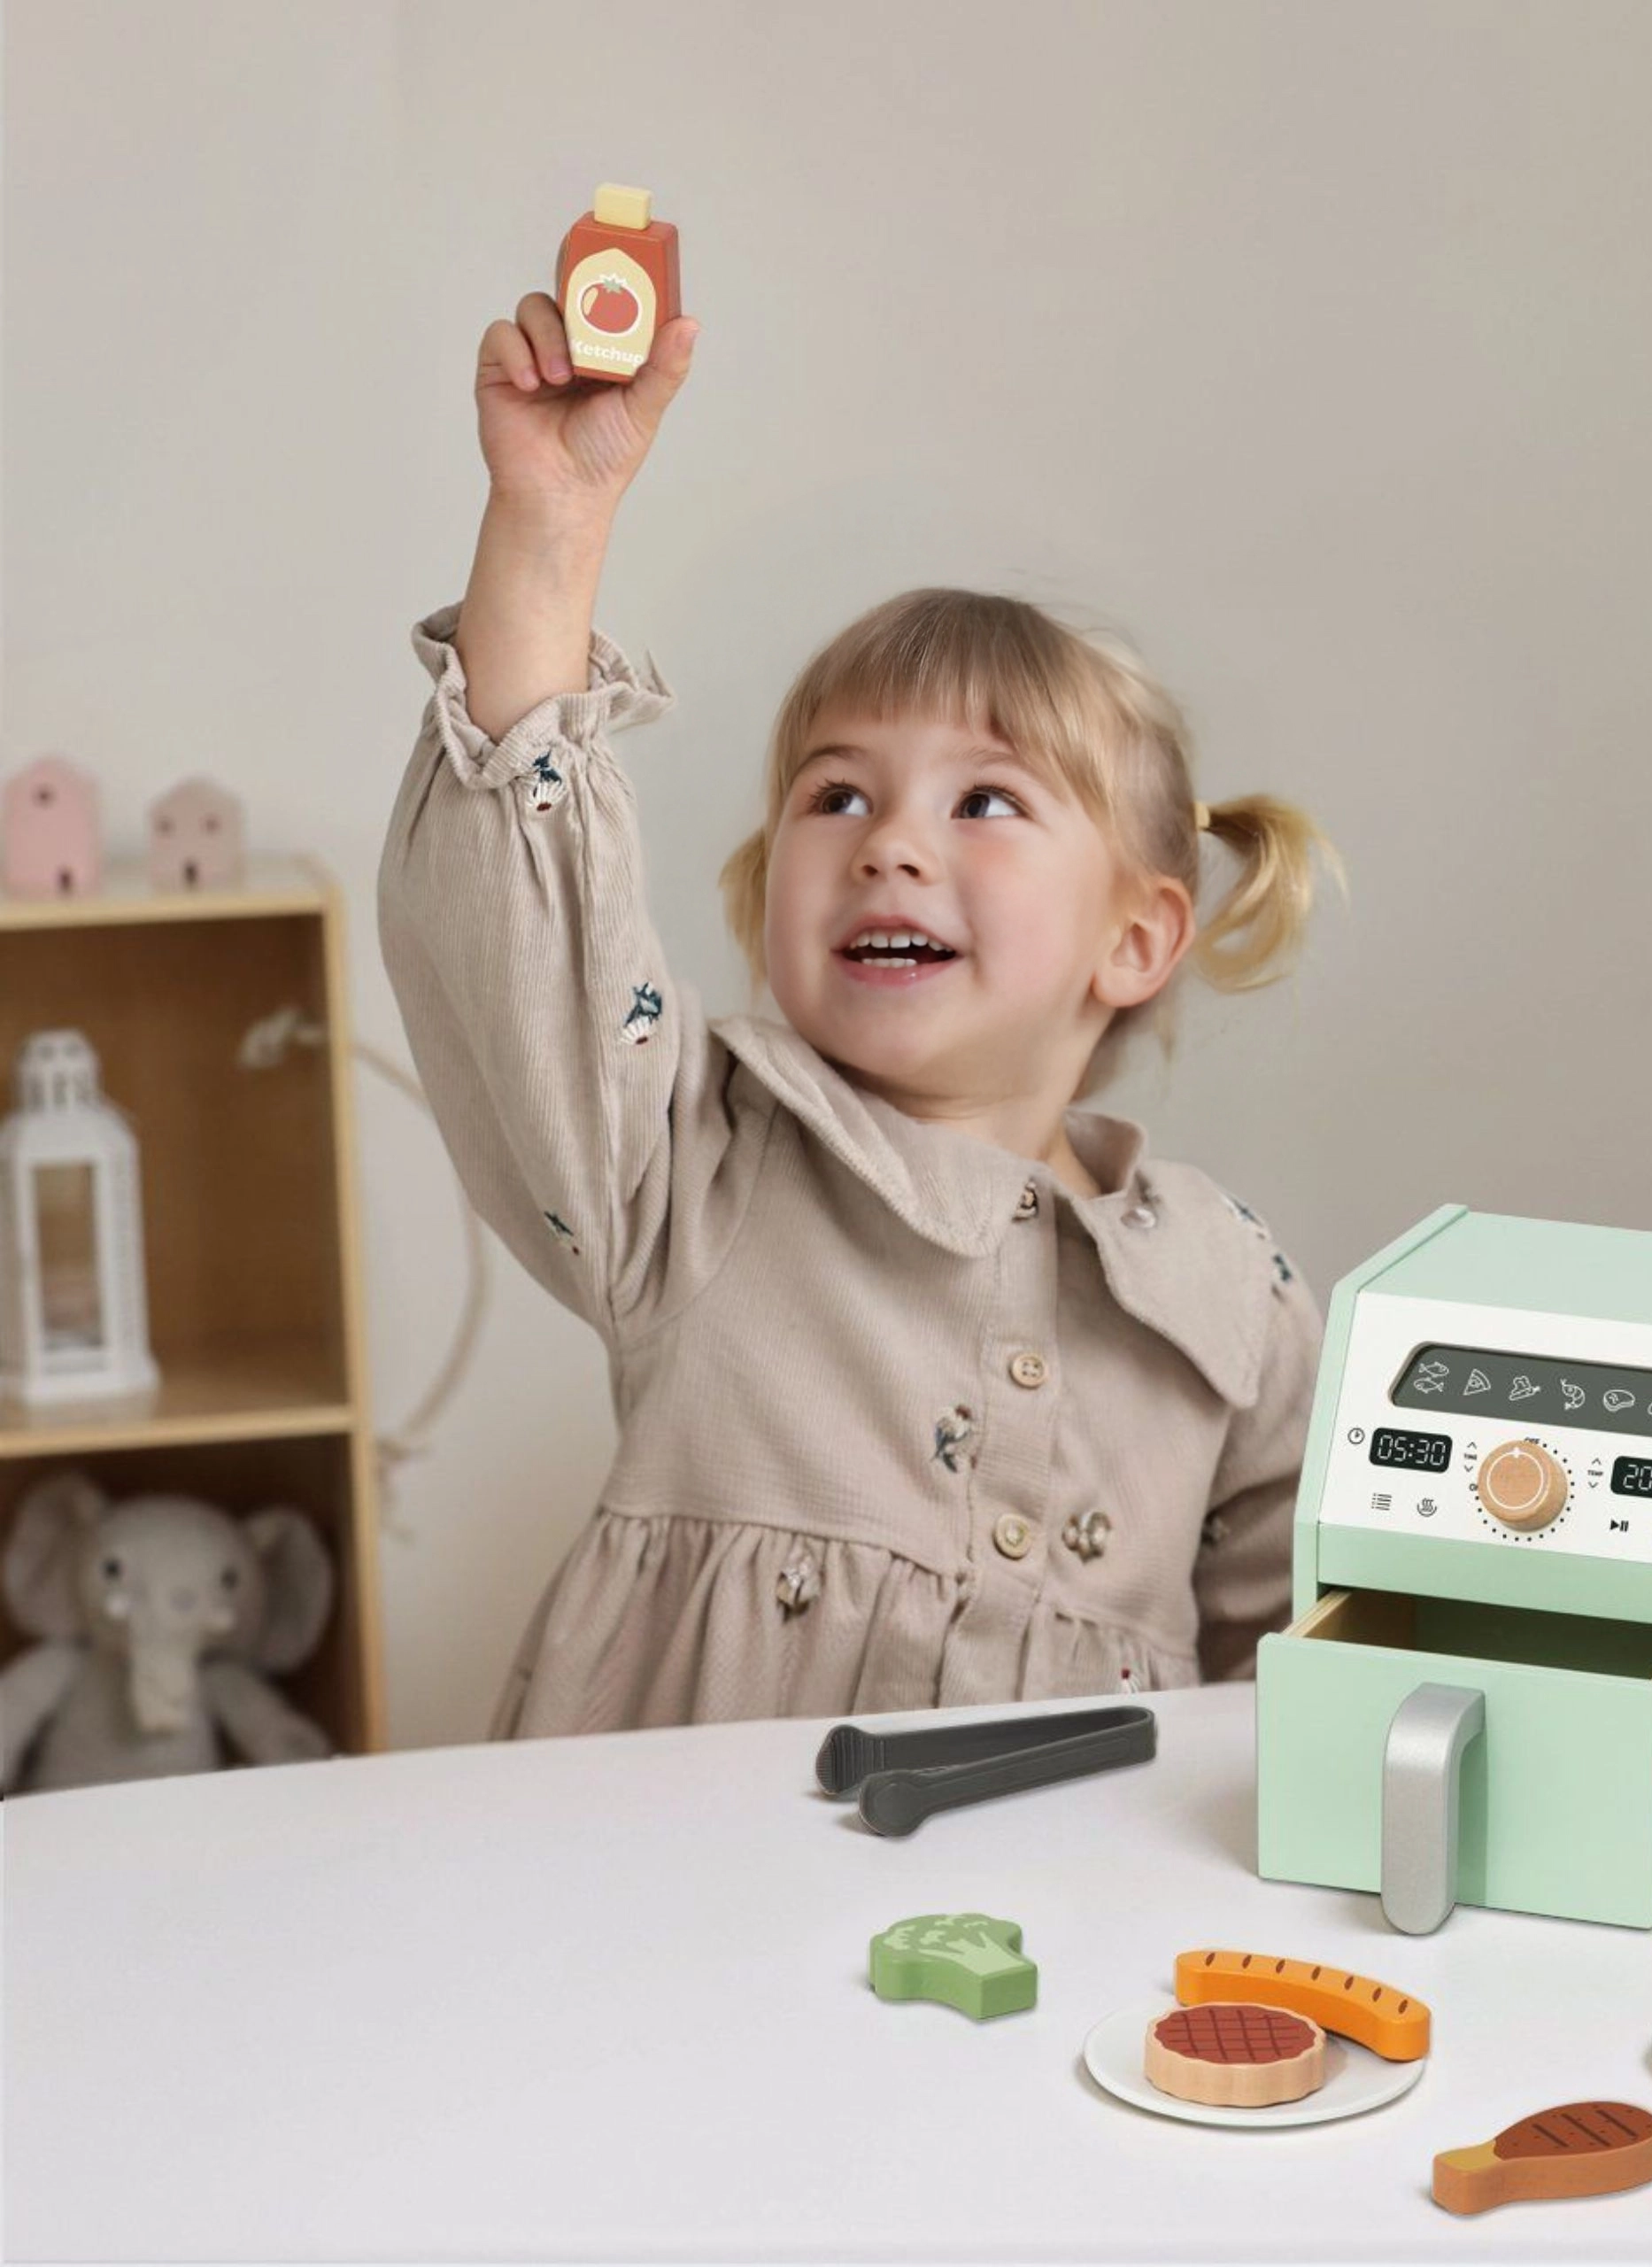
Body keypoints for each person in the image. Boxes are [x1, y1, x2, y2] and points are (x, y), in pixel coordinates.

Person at [376, 292, 1346, 1737]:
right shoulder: (693, 1168)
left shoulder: (1233, 1298)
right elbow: (523, 934)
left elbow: (1301, 1689)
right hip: (677, 1878)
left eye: (986, 802)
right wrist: (550, 523)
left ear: (1137, 937)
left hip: (1070, 1883)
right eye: (835, 795)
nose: (889, 843)